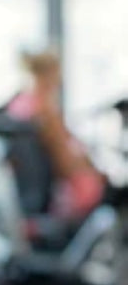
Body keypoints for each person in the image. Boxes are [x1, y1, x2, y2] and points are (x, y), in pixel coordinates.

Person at [6, 48, 106, 225]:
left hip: (29, 190)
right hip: (61, 191)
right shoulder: (45, 111)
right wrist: (95, 173)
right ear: (51, 74)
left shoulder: (19, 103)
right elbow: (63, 162)